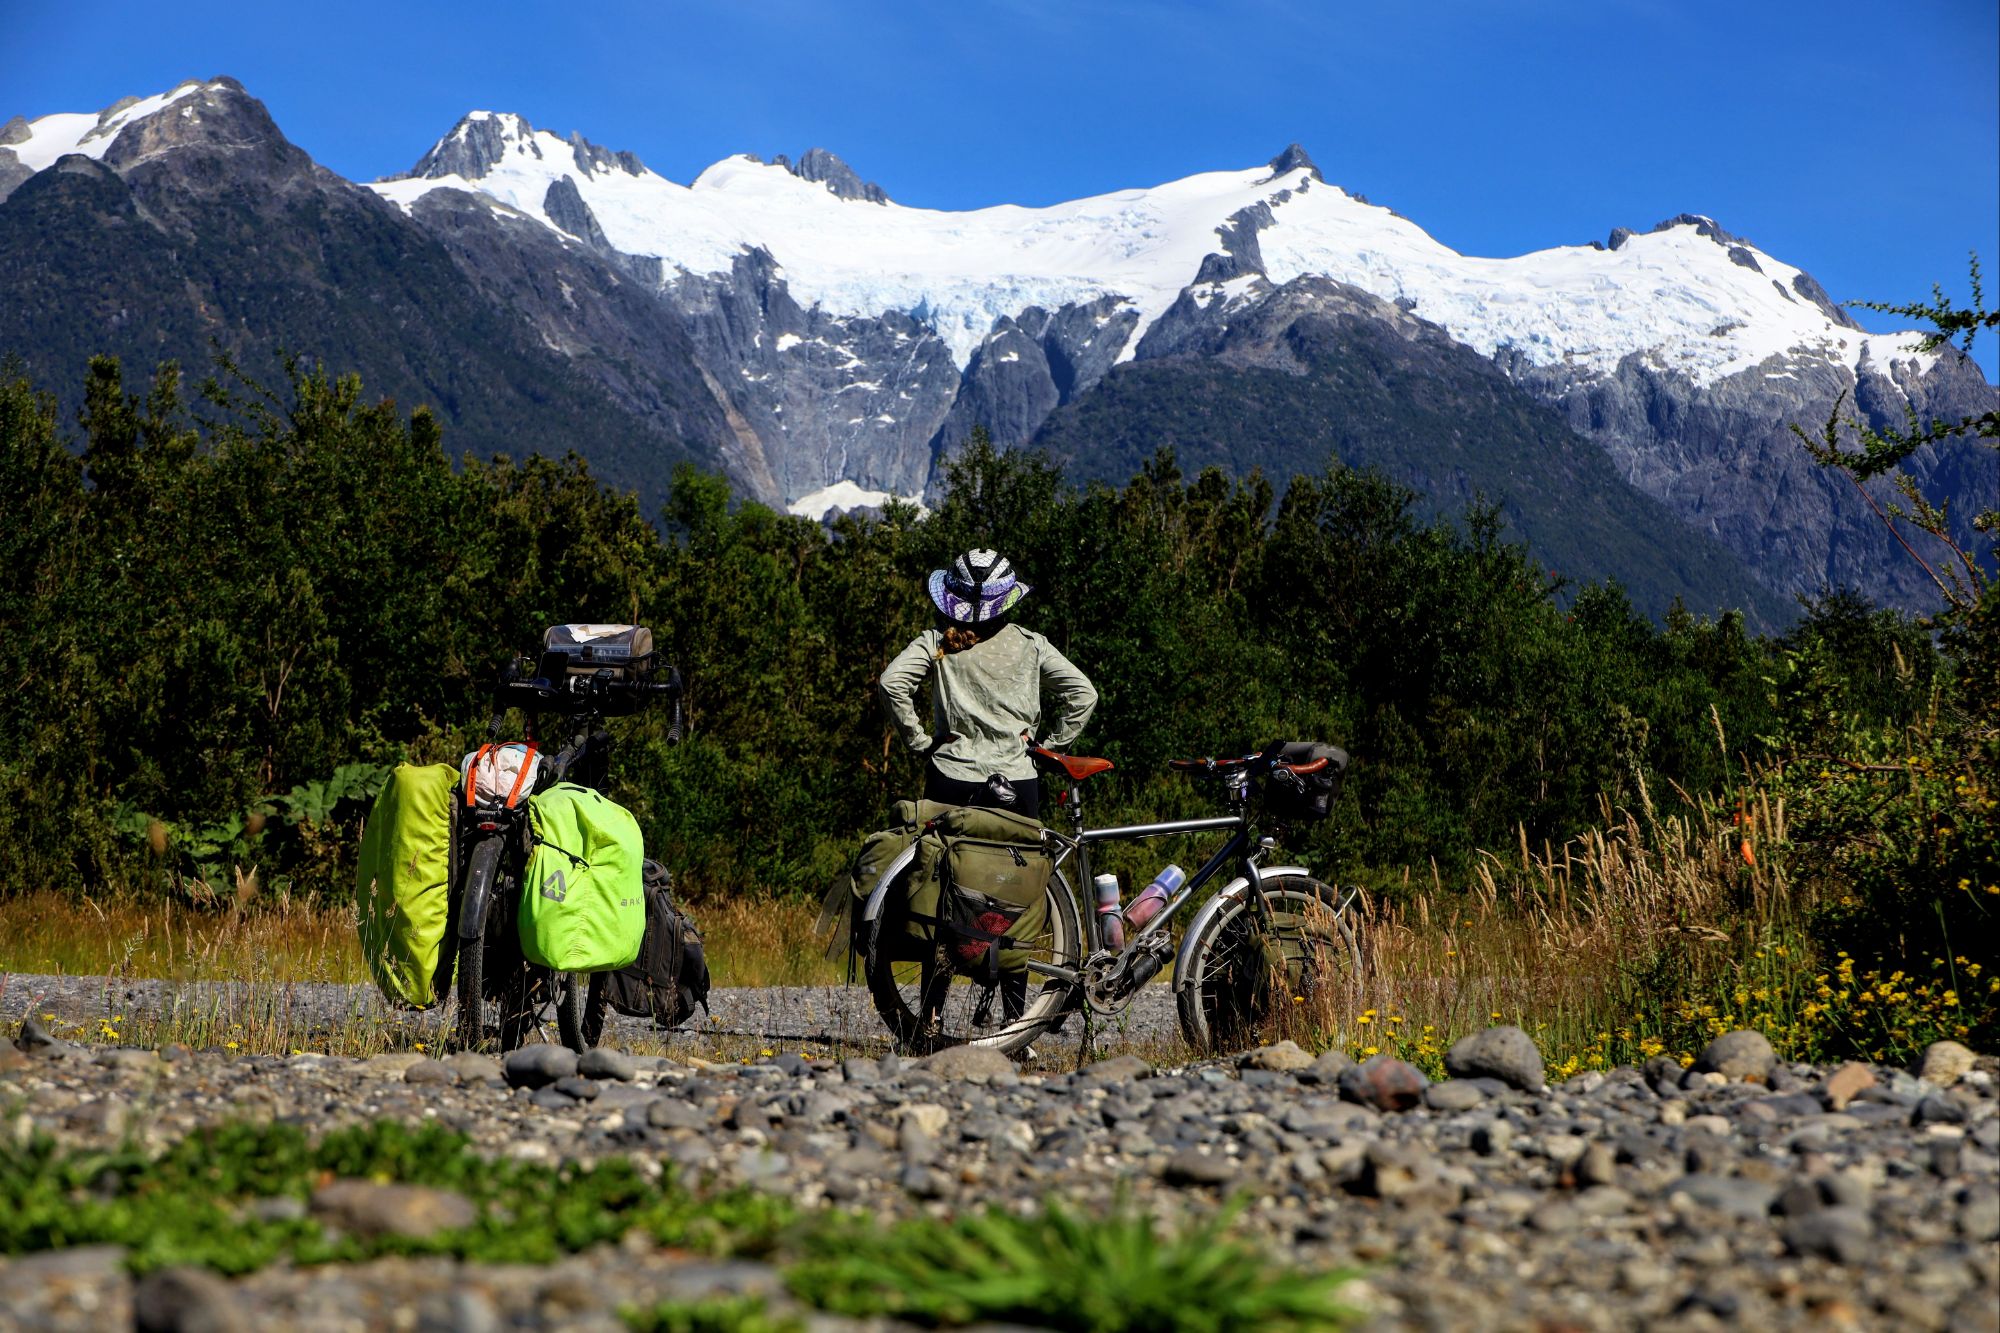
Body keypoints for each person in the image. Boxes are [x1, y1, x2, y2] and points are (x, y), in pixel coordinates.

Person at [876, 549, 1096, 820]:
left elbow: (891, 683)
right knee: (1021, 860)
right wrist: (1050, 750)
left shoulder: (936, 642)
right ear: (1006, 600)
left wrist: (920, 742)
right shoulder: (1031, 645)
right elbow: (1084, 694)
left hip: (950, 776)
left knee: (940, 859)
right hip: (1017, 779)